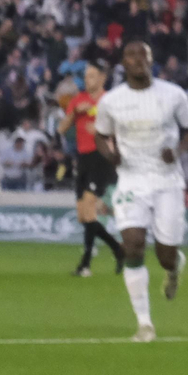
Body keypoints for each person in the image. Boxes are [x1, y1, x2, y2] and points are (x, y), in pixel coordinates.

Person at [93, 40, 188, 342]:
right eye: (132, 55)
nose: (139, 60)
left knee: (166, 255)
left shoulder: (173, 95)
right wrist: (110, 154)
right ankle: (144, 324)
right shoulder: (111, 101)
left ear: (152, 61)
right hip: (131, 180)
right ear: (123, 64)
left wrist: (178, 150)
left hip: (167, 181)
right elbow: (101, 135)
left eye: (145, 55)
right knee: (133, 245)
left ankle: (173, 268)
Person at [62, 63, 126, 276]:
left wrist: (99, 126)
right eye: (86, 76)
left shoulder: (110, 100)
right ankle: (118, 249)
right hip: (83, 159)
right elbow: (61, 129)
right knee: (84, 216)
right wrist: (73, 115)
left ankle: (85, 265)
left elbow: (121, 127)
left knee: (89, 207)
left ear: (102, 78)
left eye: (91, 76)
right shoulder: (77, 100)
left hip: (101, 157)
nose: (87, 80)